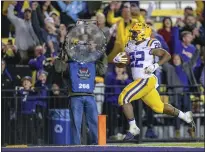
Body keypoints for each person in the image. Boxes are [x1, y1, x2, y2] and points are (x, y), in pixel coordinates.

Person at [113, 22, 196, 140]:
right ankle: (185, 116)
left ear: (142, 33)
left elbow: (167, 55)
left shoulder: (150, 43)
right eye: (132, 33)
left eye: (135, 33)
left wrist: (155, 66)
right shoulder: (130, 45)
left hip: (146, 79)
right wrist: (118, 61)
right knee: (159, 107)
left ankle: (133, 127)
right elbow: (124, 64)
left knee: (123, 98)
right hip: (140, 81)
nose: (133, 35)